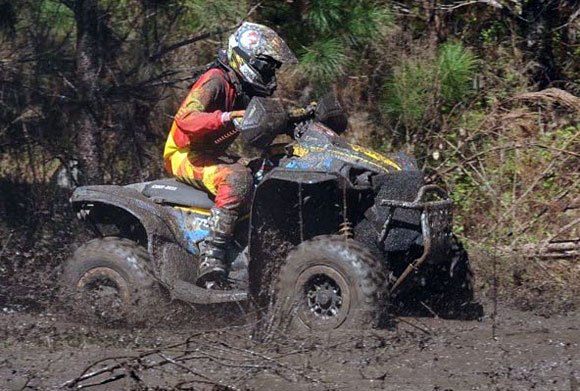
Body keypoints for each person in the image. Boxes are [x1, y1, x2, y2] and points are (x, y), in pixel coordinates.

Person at [163, 22, 297, 288]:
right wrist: (226, 118)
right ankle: (213, 256)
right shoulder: (216, 79)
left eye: (273, 68)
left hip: (212, 154)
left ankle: (253, 246)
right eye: (266, 67)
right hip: (183, 154)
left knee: (273, 166)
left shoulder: (244, 89)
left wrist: (299, 119)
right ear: (245, 57)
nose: (270, 74)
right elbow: (185, 118)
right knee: (236, 179)